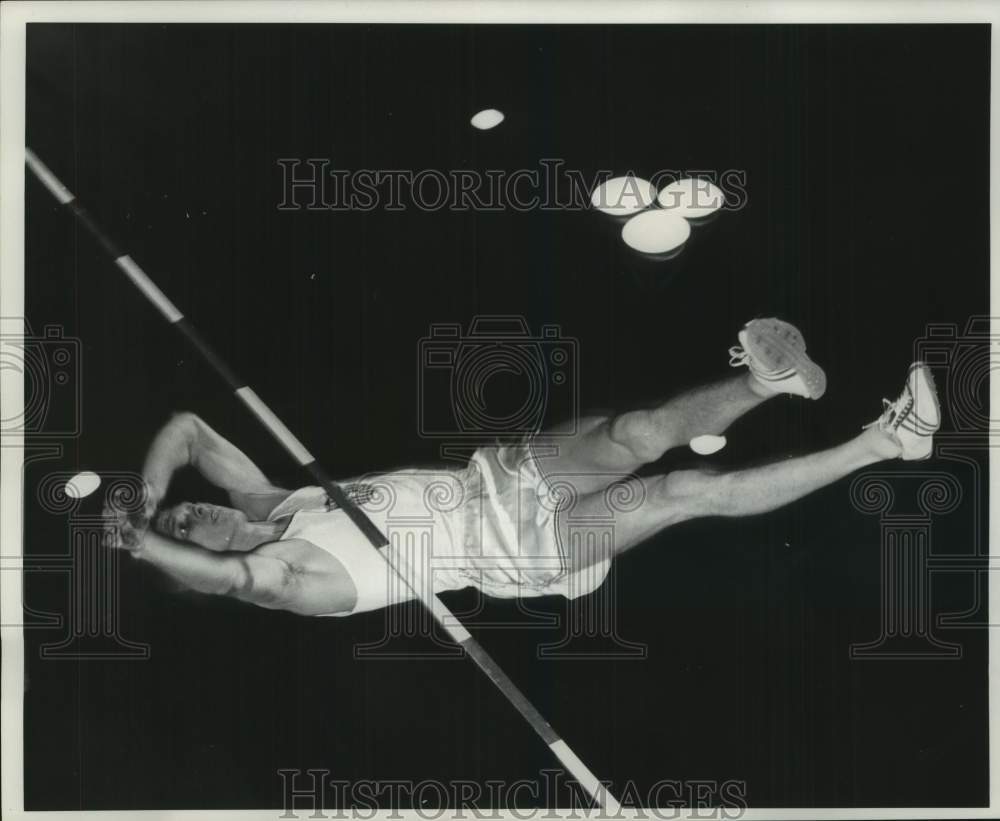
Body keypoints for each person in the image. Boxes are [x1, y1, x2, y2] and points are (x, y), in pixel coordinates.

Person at [103, 317, 940, 619]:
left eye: (185, 513)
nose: (191, 517)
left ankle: (768, 379)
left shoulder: (269, 498)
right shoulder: (287, 574)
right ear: (205, 562)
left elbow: (187, 428)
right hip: (520, 550)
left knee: (639, 428)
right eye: (186, 533)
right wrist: (151, 548)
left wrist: (147, 494)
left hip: (496, 478)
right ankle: (889, 442)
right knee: (683, 490)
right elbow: (239, 583)